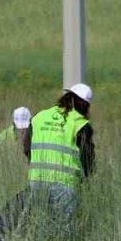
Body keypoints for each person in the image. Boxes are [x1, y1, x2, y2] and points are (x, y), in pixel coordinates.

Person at [25, 83, 96, 220]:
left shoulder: (40, 117)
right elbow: (87, 157)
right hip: (65, 183)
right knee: (64, 230)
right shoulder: (81, 124)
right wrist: (87, 178)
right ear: (85, 105)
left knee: (41, 224)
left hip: (36, 181)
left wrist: (37, 166)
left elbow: (27, 148)